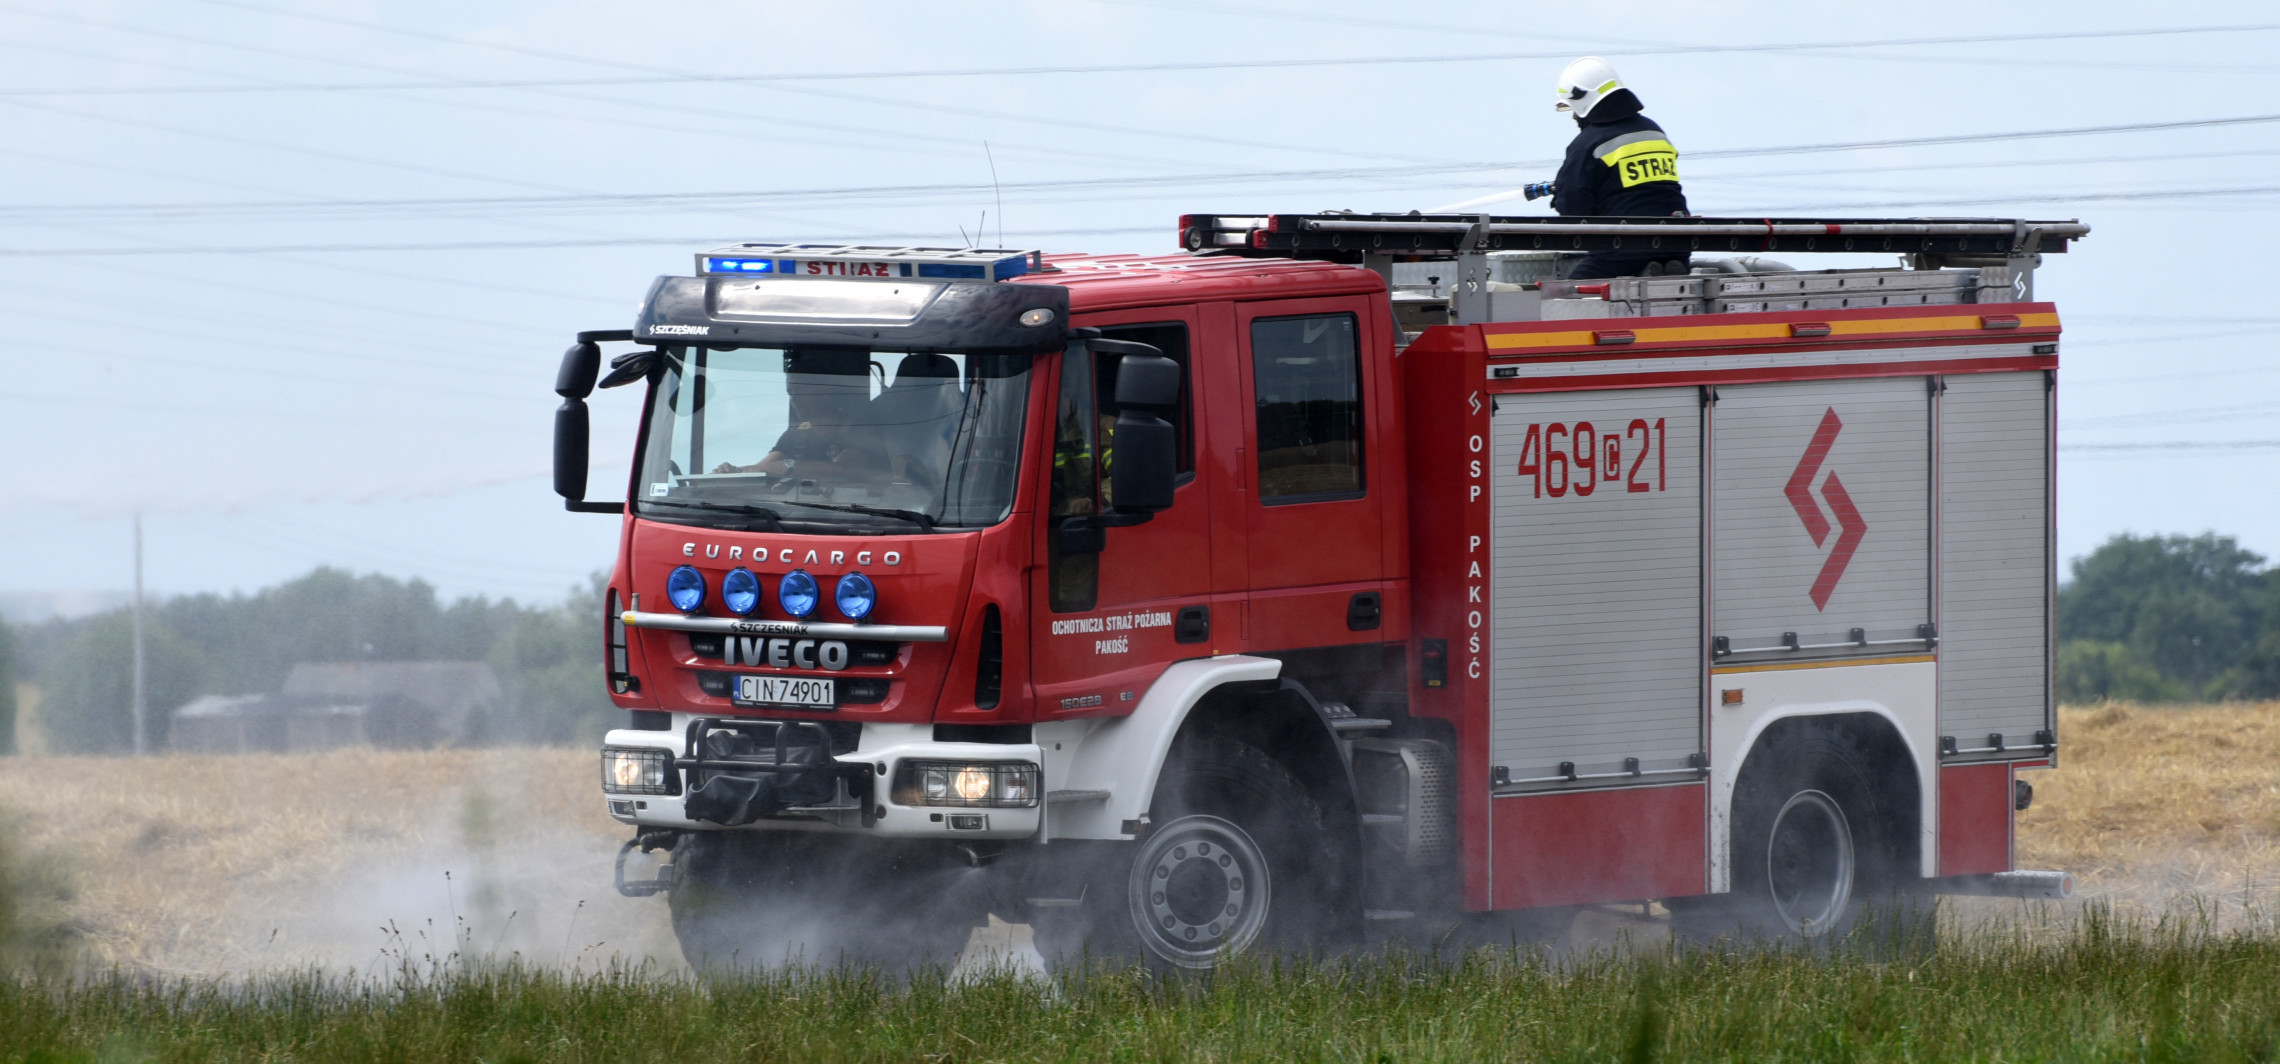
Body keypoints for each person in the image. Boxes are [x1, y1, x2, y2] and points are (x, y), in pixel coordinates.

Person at [1548, 56, 1691, 279]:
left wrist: (1560, 199)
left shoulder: (1587, 143)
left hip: (1623, 247)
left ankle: (1643, 268)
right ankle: (1656, 271)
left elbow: (1574, 211)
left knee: (1568, 294)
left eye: (1573, 108)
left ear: (1583, 100)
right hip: (1678, 242)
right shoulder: (1654, 131)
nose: (1574, 115)